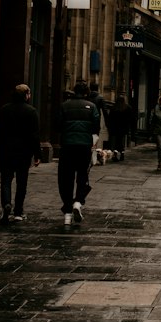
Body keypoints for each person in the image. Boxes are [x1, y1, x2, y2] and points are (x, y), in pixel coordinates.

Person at [0, 83, 41, 225]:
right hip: (24, 152)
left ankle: (6, 205)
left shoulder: (4, 110)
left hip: (7, 151)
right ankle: (18, 212)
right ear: (26, 95)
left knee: (6, 180)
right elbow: (35, 135)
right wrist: (37, 154)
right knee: (22, 182)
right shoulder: (31, 111)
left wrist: (0, 148)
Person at [58, 80, 101, 226]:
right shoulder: (92, 107)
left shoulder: (64, 106)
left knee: (66, 178)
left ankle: (68, 212)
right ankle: (78, 201)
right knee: (83, 175)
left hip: (68, 146)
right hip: (84, 146)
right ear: (86, 93)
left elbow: (58, 125)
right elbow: (96, 128)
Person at [106, 95, 132, 161]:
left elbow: (110, 118)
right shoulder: (128, 108)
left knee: (115, 142)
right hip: (123, 127)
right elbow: (130, 119)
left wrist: (109, 127)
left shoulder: (114, 107)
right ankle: (122, 154)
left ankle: (115, 154)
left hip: (114, 127)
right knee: (121, 141)